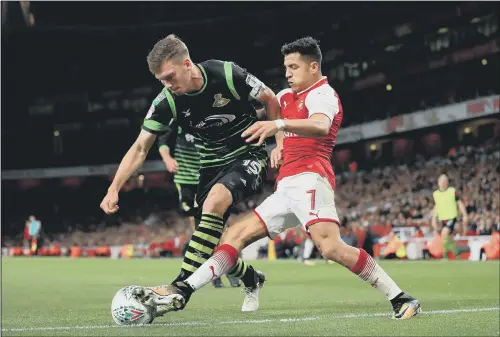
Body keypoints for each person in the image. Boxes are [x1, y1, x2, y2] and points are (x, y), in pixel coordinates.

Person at [136, 37, 421, 320]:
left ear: (313, 67)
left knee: (331, 248)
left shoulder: (323, 95)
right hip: (285, 187)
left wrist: (279, 125)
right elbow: (257, 114)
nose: (287, 73)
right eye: (286, 67)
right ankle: (183, 291)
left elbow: (321, 125)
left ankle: (401, 298)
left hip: (311, 178)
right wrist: (269, 136)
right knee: (233, 236)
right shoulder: (285, 97)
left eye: (294, 67)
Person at [100, 34, 282, 313]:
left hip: (247, 155)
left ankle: (179, 287)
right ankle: (251, 278)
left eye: (170, 77)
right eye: (161, 80)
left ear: (187, 64)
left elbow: (269, 98)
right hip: (209, 167)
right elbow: (139, 148)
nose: (167, 85)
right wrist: (114, 188)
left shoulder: (228, 74)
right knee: (210, 243)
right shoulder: (166, 102)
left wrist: (278, 143)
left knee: (214, 203)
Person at [158, 122, 241, 288]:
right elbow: (163, 141)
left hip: (210, 177)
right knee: (201, 232)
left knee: (220, 228)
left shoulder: (212, 118)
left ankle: (230, 267)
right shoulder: (178, 118)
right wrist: (167, 159)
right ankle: (215, 274)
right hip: (186, 180)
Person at [431, 174, 469, 260]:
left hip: (452, 217)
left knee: (444, 234)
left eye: (445, 181)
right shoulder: (436, 194)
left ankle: (445, 256)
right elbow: (436, 206)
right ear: (438, 182)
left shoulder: (452, 191)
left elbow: (460, 203)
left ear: (448, 183)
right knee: (448, 238)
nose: (443, 183)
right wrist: (433, 219)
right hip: (442, 218)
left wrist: (465, 215)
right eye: (442, 181)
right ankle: (457, 254)